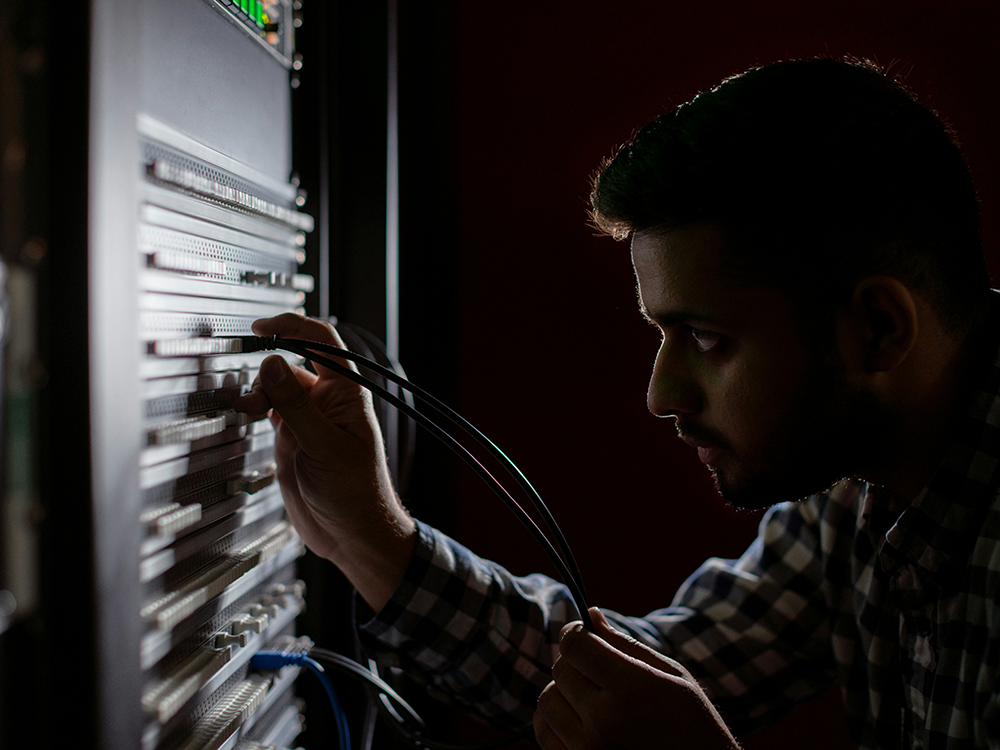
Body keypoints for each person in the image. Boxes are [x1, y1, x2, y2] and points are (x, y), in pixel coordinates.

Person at [235, 57, 1000, 749]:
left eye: (706, 338)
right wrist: (370, 535)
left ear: (878, 328)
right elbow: (631, 678)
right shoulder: (856, 495)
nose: (661, 395)